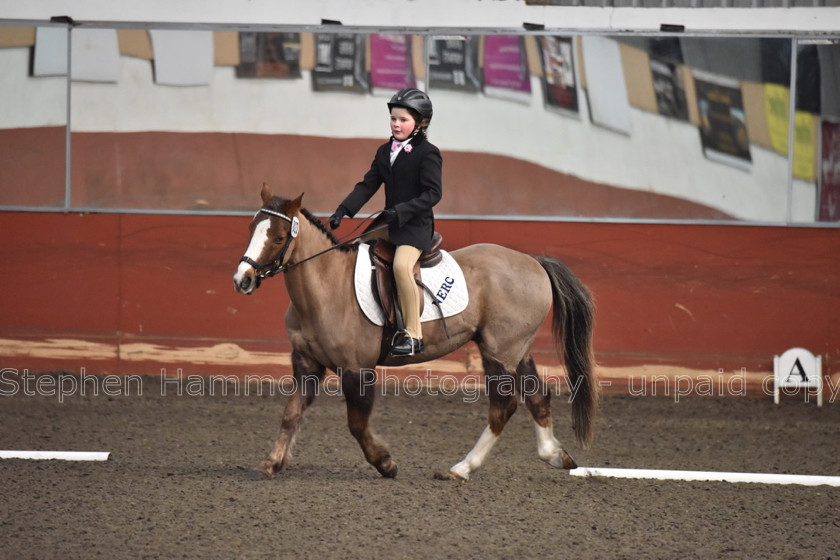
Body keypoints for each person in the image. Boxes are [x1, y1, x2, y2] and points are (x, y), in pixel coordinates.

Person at [329, 88, 442, 357]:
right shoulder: (384, 151)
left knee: (402, 266)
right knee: (352, 253)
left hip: (415, 226)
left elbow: (433, 194)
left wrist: (402, 211)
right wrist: (343, 210)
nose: (396, 124)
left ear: (420, 123)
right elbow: (368, 185)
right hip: (389, 223)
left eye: (403, 120)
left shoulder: (428, 153)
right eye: (393, 118)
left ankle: (414, 335)